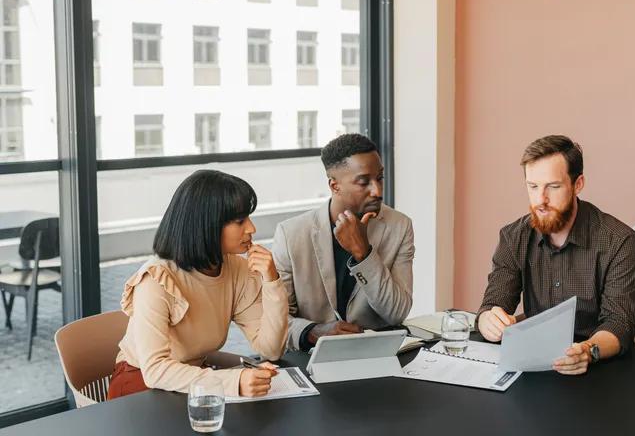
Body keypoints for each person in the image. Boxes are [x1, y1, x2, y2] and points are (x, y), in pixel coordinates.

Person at [107, 170, 288, 399]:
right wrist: (234, 381)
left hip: (194, 380)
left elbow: (271, 349)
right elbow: (155, 371)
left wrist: (271, 280)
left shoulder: (238, 270)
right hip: (141, 387)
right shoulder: (156, 279)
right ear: (207, 224)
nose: (251, 228)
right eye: (240, 221)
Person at [477, 135, 635, 375]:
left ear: (578, 184)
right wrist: (487, 321)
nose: (540, 200)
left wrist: (587, 351)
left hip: (600, 369)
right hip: (536, 364)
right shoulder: (514, 236)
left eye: (553, 187)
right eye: (532, 187)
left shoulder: (618, 240)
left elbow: (619, 323)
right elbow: (494, 303)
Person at [272, 133, 415, 351]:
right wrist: (313, 331)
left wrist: (363, 254)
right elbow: (277, 322)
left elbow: (396, 312)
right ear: (334, 185)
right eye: (364, 182)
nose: (377, 191)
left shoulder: (399, 226)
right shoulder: (291, 234)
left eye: (380, 178)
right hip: (311, 359)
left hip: (377, 355)